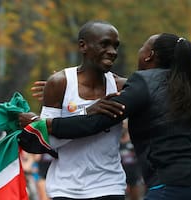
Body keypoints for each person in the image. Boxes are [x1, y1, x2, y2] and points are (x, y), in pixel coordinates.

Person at [19, 33, 191, 200]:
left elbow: (97, 121)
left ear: (149, 55)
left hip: (171, 184)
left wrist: (44, 124)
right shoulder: (186, 86)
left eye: (142, 46)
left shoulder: (144, 81)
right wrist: (69, 88)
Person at [27, 20, 128, 200]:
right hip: (65, 189)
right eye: (105, 44)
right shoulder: (59, 83)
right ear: (83, 46)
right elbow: (47, 142)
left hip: (109, 186)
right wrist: (86, 115)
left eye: (115, 46)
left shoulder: (121, 87)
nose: (112, 52)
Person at [119, 119, 144, 200]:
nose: (123, 126)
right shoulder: (116, 141)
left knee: (135, 196)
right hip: (122, 173)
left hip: (134, 172)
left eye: (124, 124)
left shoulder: (133, 139)